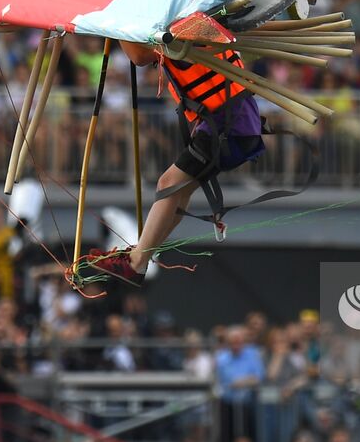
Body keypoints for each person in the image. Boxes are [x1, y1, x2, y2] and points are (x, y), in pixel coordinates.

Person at [86, 42, 266, 285]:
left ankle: (138, 261)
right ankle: (141, 255)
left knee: (168, 184)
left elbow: (138, 56)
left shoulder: (184, 35)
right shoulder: (188, 33)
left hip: (229, 127)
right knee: (178, 191)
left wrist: (115, 26)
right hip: (231, 125)